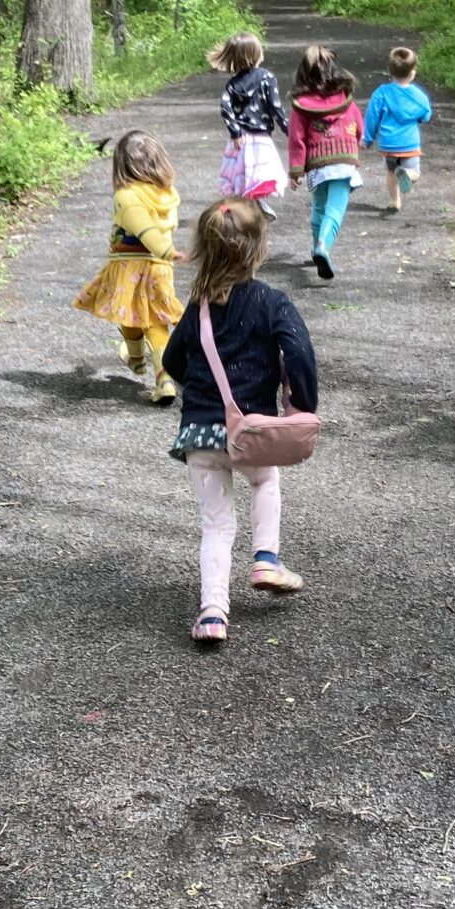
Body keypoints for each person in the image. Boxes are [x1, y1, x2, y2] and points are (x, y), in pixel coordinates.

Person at [161, 200, 318, 647]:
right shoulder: (272, 303)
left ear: (204, 251)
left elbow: (173, 359)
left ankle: (212, 613)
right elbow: (300, 354)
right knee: (265, 482)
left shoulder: (198, 309)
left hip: (200, 436)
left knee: (216, 524)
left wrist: (198, 388)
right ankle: (266, 557)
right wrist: (302, 403)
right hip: (250, 432)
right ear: (256, 251)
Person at [73, 130, 181, 403]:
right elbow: (167, 225)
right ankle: (164, 378)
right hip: (160, 268)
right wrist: (165, 253)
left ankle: (135, 357)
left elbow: (142, 227)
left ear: (122, 166)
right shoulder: (167, 193)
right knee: (156, 322)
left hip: (129, 265)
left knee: (130, 313)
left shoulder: (126, 195)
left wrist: (162, 248)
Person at [286, 42, 365, 281]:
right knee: (335, 210)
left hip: (318, 164)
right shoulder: (346, 101)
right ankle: (323, 246)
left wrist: (296, 170)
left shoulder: (301, 107)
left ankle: (315, 247)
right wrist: (353, 145)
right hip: (343, 161)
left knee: (318, 208)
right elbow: (359, 129)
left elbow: (296, 140)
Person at [208, 30, 288, 216]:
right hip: (260, 139)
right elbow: (276, 107)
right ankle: (254, 206)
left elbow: (225, 108)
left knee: (241, 177)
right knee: (258, 177)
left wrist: (235, 132)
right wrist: (289, 130)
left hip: (241, 139)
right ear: (255, 54)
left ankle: (248, 206)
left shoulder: (233, 84)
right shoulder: (267, 77)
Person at [364, 44, 434, 212]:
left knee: (390, 172)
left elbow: (372, 116)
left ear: (390, 71)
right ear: (412, 73)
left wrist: (367, 138)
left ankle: (395, 201)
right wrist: (420, 119)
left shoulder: (382, 93)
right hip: (409, 143)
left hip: (388, 143)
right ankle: (408, 176)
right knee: (414, 171)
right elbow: (426, 114)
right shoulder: (418, 95)